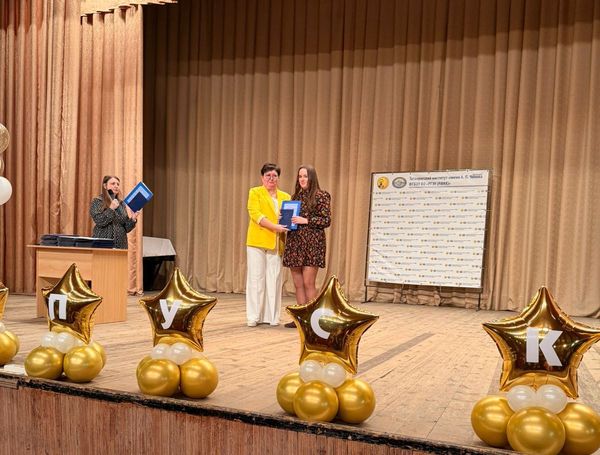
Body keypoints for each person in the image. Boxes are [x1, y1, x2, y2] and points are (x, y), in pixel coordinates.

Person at [282, 165, 331, 327]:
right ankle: (300, 319)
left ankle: (314, 321)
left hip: (312, 244)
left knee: (308, 282)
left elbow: (326, 220)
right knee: (298, 284)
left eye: (305, 176)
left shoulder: (321, 195)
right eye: (300, 176)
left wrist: (306, 220)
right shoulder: (295, 197)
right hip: (295, 242)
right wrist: (284, 219)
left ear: (312, 177)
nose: (302, 179)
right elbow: (290, 221)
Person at [245, 163, 291, 327]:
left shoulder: (285, 196)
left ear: (278, 178)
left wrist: (286, 224)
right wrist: (275, 227)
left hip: (277, 242)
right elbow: (256, 214)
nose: (271, 178)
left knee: (274, 279)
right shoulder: (255, 192)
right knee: (256, 279)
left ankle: (272, 316)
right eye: (268, 175)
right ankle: (253, 316)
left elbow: (288, 218)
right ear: (262, 177)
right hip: (257, 241)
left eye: (274, 175)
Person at [89, 175, 139, 249]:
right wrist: (111, 209)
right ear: (105, 186)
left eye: (118, 184)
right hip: (103, 244)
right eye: (113, 184)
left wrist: (133, 219)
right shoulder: (98, 201)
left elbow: (126, 228)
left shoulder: (121, 203)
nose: (116, 186)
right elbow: (99, 220)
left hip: (121, 246)